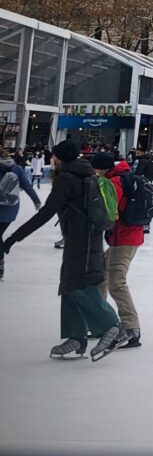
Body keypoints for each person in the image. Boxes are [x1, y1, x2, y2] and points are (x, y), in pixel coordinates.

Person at [1, 140, 127, 360]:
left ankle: (111, 325)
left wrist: (13, 238)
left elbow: (46, 213)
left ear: (59, 158)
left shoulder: (67, 179)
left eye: (54, 157)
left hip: (81, 241)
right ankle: (76, 337)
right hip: (86, 239)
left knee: (80, 286)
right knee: (70, 284)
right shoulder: (86, 175)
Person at [90, 153, 145, 349]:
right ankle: (102, 321)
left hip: (125, 238)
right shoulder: (120, 177)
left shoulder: (114, 182)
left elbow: (109, 211)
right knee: (102, 275)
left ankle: (131, 329)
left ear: (101, 169)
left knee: (116, 282)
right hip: (122, 237)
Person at [0, 146, 41, 281]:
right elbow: (27, 186)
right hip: (11, 209)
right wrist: (36, 201)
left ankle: (0, 264)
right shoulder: (16, 168)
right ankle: (0, 265)